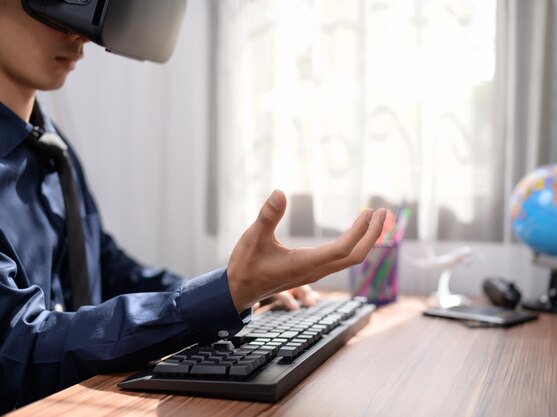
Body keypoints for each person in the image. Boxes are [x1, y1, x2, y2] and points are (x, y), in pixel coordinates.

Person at [0, 1, 386, 413]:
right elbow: (18, 347)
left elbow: (109, 271)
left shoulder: (50, 147)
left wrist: (238, 290)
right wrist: (223, 295)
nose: (79, 36)